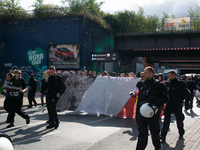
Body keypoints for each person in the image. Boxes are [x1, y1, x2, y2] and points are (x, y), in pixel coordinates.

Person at [136, 67, 168, 150]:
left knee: (154, 132)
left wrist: (154, 99)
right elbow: (139, 99)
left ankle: (157, 147)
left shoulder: (159, 85)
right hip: (142, 113)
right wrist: (137, 114)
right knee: (142, 132)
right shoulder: (141, 84)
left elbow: (165, 99)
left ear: (151, 73)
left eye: (146, 73)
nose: (144, 74)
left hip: (153, 113)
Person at [161, 70, 190, 142]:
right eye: (168, 75)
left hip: (177, 104)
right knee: (166, 121)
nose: (168, 77)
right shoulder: (167, 83)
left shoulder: (181, 83)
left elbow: (186, 93)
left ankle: (181, 133)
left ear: (174, 75)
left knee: (179, 120)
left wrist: (184, 101)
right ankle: (163, 136)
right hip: (169, 103)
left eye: (170, 75)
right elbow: (164, 94)